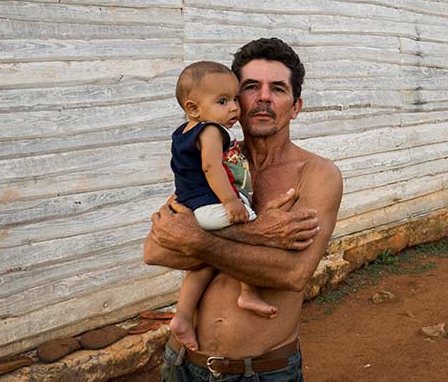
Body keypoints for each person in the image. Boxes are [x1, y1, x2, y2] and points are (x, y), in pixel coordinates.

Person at [145, 38, 344, 382]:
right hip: (182, 363)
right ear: (236, 99)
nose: (263, 97)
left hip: (261, 372)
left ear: (296, 106)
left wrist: (201, 241)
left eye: (278, 89)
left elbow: (292, 273)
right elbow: (157, 248)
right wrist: (259, 233)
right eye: (251, 87)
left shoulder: (317, 174)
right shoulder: (213, 161)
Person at [167, 60, 277, 352]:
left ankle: (182, 316)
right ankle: (248, 291)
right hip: (211, 205)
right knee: (254, 231)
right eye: (222, 101)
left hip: (190, 207)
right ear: (193, 108)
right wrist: (231, 201)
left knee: (205, 262)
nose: (234, 108)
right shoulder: (210, 131)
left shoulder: (183, 133)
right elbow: (210, 167)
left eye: (235, 100)